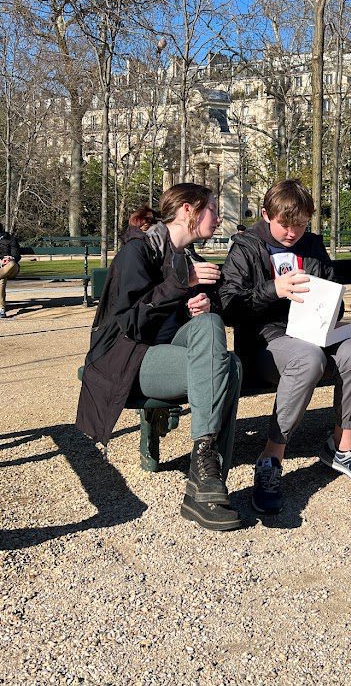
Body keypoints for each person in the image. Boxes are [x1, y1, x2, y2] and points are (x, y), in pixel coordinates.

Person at [76, 184, 242, 532]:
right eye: (212, 208)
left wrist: (205, 303)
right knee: (226, 368)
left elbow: (215, 311)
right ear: (187, 210)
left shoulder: (188, 257)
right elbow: (132, 323)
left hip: (169, 355)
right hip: (129, 359)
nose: (218, 215)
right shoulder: (136, 252)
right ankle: (207, 481)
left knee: (215, 332)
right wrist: (183, 284)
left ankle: (206, 470)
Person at [219, 179, 351, 516]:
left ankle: (343, 447)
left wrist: (329, 306)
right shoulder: (247, 247)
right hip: (267, 341)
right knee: (308, 359)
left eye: (301, 225)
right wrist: (274, 290)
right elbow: (228, 306)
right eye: (285, 224)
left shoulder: (312, 246)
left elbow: (332, 294)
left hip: (315, 332)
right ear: (266, 215)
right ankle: (271, 458)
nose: (293, 233)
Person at [0, 223, 21, 319]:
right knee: (2, 279)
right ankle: (1, 309)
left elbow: (17, 255)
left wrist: (10, 258)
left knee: (11, 264)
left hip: (12, 268)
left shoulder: (11, 239)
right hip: (1, 270)